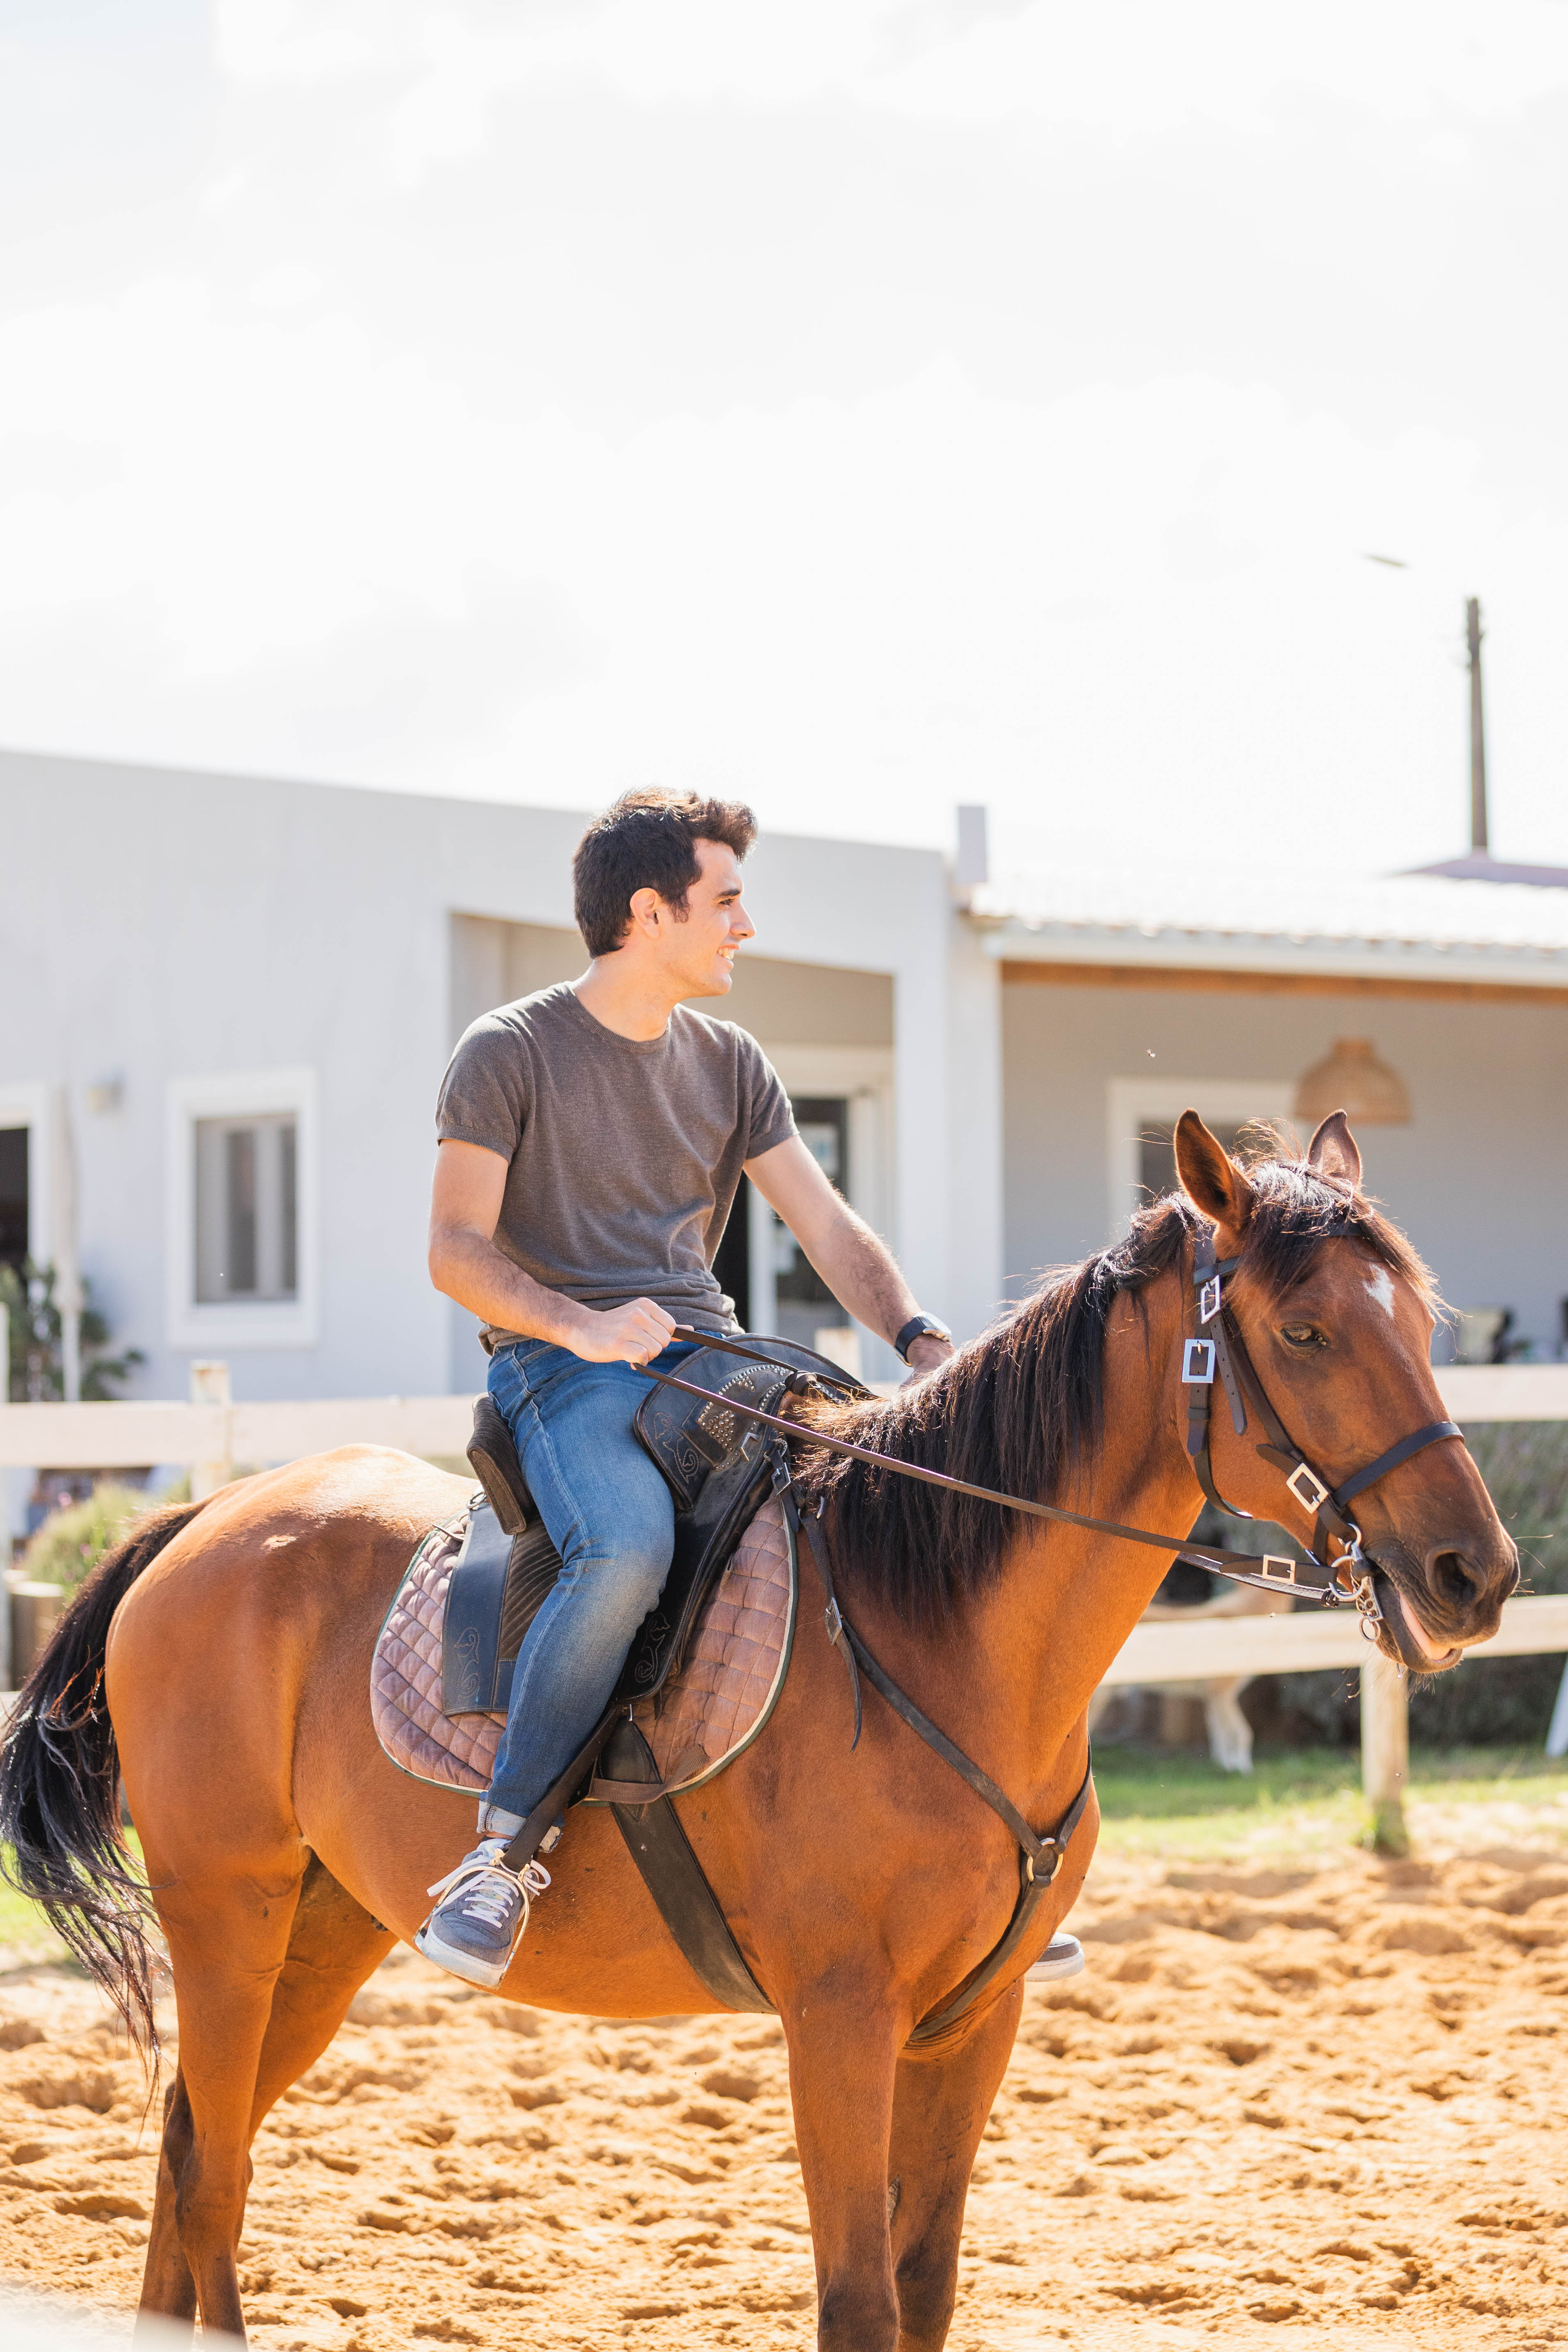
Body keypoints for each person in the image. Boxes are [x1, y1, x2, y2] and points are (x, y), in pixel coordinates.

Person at [416, 786, 954, 1987]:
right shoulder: (509, 1050)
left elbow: (824, 1225)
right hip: (560, 1369)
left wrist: (919, 1338)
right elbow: (455, 1250)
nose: (744, 929)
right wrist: (584, 1325)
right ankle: (500, 1857)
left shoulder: (731, 1062)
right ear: (648, 913)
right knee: (625, 1551)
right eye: (725, 903)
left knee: (881, 1500)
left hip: (713, 1357)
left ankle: (948, 1849)